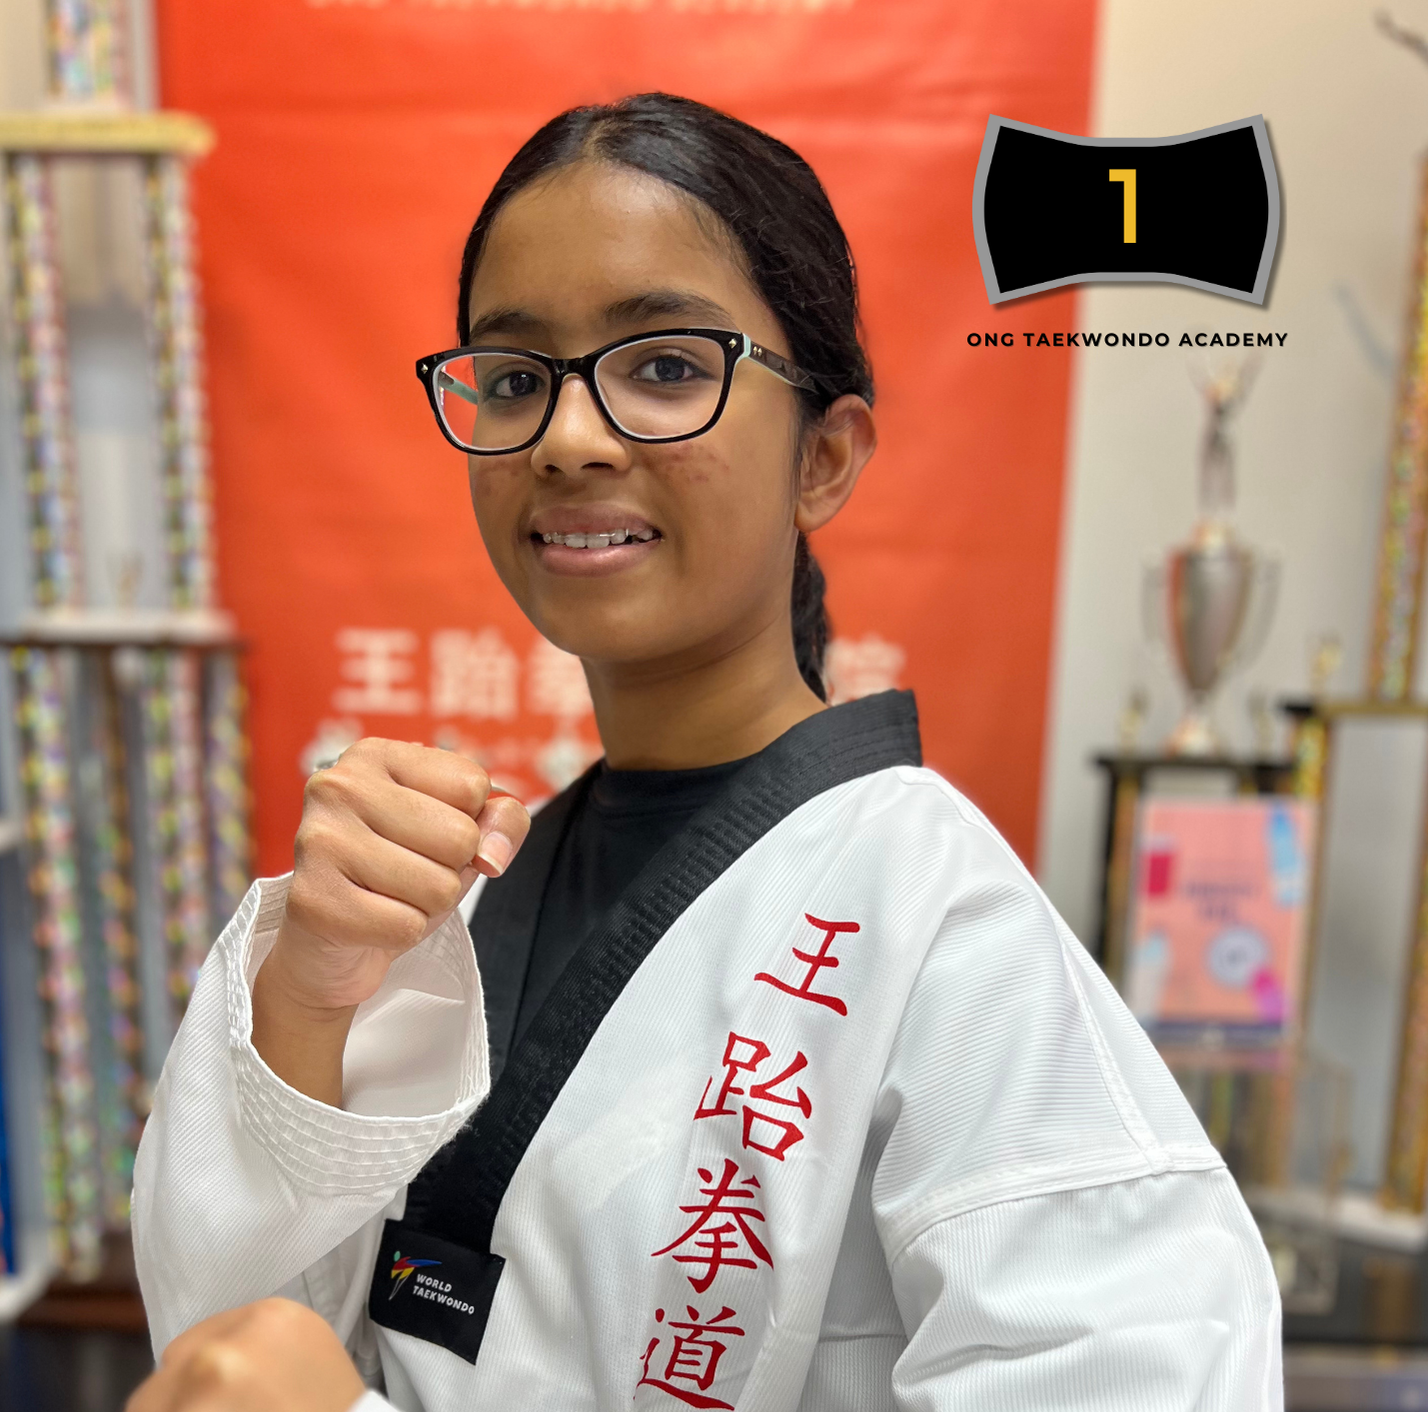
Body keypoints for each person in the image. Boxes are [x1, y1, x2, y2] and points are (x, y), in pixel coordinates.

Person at [127, 93, 1281, 1412]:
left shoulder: (932, 923)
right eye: (514, 379)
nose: (567, 435)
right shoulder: (460, 892)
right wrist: (306, 1000)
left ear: (825, 458)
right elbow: (224, 1349)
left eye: (666, 366)